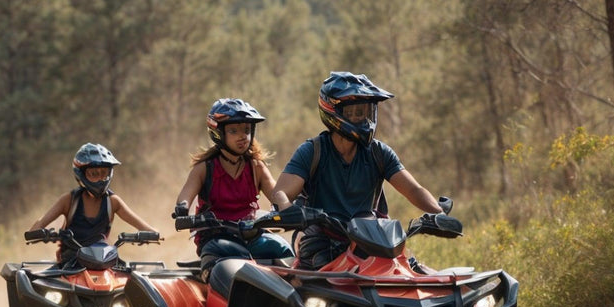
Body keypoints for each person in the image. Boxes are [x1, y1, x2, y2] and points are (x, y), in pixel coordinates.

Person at [271, 71, 444, 270]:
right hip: (323, 239)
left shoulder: (379, 152)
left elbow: (414, 190)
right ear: (332, 112)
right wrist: (289, 211)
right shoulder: (312, 150)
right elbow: (280, 193)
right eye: (351, 112)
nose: (358, 118)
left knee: (412, 272)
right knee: (309, 285)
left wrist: (438, 213)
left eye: (362, 112)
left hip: (372, 238)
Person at [171, 98, 291, 272]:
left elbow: (277, 193)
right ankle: (209, 278)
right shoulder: (204, 168)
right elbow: (185, 195)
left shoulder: (256, 166)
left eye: (247, 130)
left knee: (284, 253)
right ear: (218, 133)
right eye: (234, 131)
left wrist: (288, 208)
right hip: (216, 236)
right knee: (220, 261)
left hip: (251, 235)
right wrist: (182, 208)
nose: (243, 136)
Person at [27, 142, 158, 266]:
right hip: (70, 265)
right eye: (94, 174)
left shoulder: (113, 202)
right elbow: (37, 227)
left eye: (104, 173)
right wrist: (45, 234)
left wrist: (149, 235)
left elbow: (146, 228)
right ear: (81, 174)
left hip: (104, 263)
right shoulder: (69, 201)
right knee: (30, 281)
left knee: (135, 284)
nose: (100, 178)